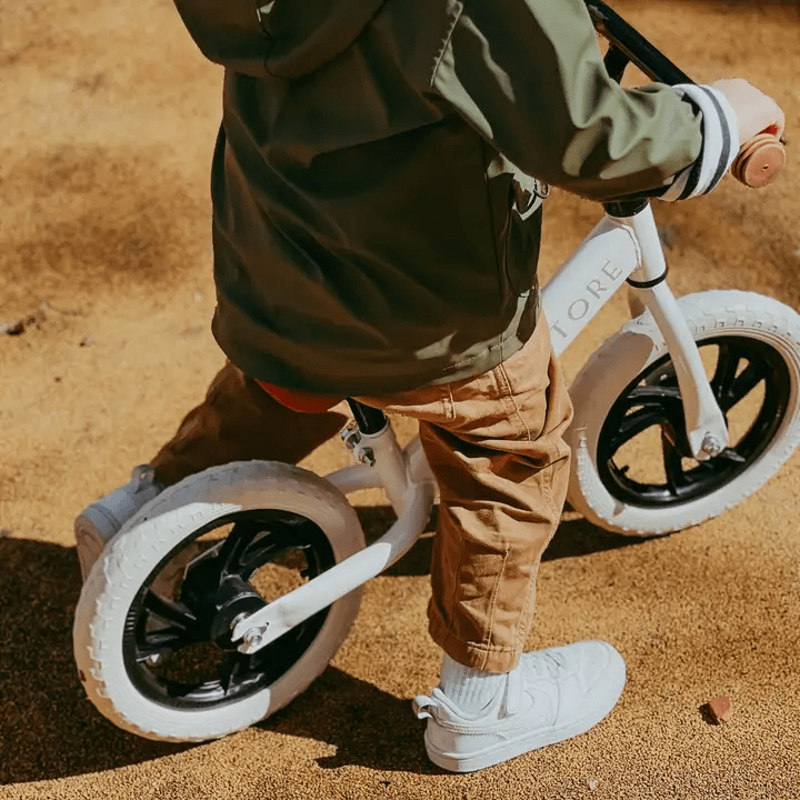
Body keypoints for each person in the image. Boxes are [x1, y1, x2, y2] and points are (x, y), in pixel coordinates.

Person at [75, 0, 784, 773]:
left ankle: (143, 506)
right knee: (512, 447)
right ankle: (482, 703)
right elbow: (589, 137)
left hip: (280, 252)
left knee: (284, 379)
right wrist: (713, 120)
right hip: (423, 311)